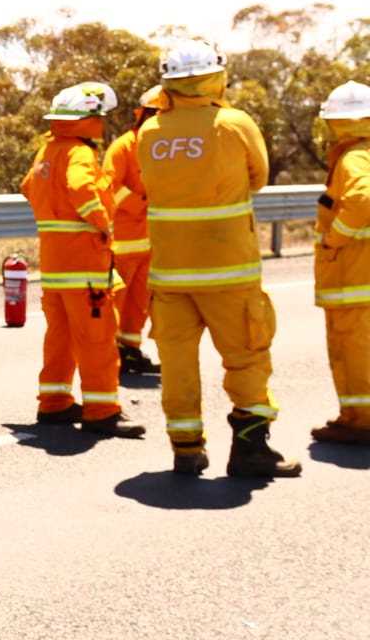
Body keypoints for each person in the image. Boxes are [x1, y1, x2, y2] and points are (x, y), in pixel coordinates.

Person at [135, 39, 298, 477]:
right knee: (247, 359)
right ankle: (251, 450)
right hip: (228, 272)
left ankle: (186, 450)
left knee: (177, 366)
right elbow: (258, 178)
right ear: (216, 78)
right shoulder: (234, 123)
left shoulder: (149, 132)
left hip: (170, 275)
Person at [20, 82, 145, 437]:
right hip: (85, 267)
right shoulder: (79, 153)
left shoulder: (46, 151)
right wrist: (102, 223)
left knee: (60, 338)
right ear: (86, 120)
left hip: (55, 266)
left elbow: (29, 187)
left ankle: (54, 403)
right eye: (98, 117)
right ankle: (102, 411)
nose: (101, 123)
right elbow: (81, 188)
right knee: (97, 340)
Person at [311, 80, 370, 445]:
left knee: (352, 352)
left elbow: (363, 200)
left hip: (354, 278)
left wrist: (335, 238)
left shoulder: (353, 158)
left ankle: (359, 421)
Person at [102, 87, 166, 375]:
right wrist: (142, 203)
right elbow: (110, 187)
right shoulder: (123, 147)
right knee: (116, 301)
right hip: (123, 244)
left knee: (139, 305)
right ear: (143, 115)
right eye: (155, 114)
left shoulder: (162, 148)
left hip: (150, 245)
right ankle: (108, 354)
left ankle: (130, 350)